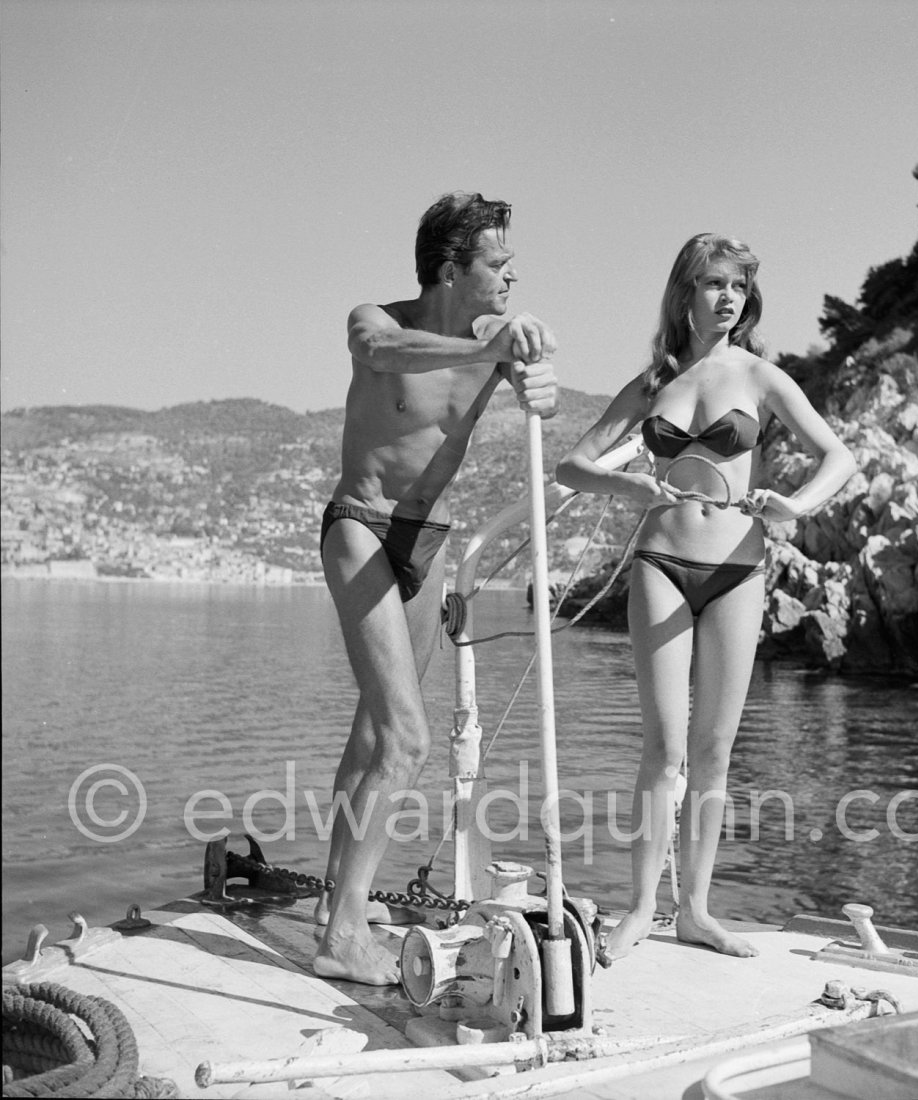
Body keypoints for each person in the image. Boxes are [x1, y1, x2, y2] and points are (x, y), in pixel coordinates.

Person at [556, 232, 855, 963]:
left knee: (714, 752)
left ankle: (695, 910)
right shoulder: (653, 383)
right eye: (716, 283)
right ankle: (637, 910)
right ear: (685, 291)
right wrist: (622, 482)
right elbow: (571, 465)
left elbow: (836, 455)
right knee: (663, 748)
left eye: (740, 287)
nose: (729, 297)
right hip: (659, 562)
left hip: (738, 573)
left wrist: (797, 505)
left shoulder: (761, 377)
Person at [314, 192, 559, 985]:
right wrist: (492, 350)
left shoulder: (492, 337)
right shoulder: (374, 320)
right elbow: (383, 351)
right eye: (496, 262)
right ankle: (345, 936)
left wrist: (535, 374)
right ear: (451, 268)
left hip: (429, 542)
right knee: (409, 740)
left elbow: (518, 356)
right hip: (361, 523)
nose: (512, 273)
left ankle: (332, 902)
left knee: (375, 734)